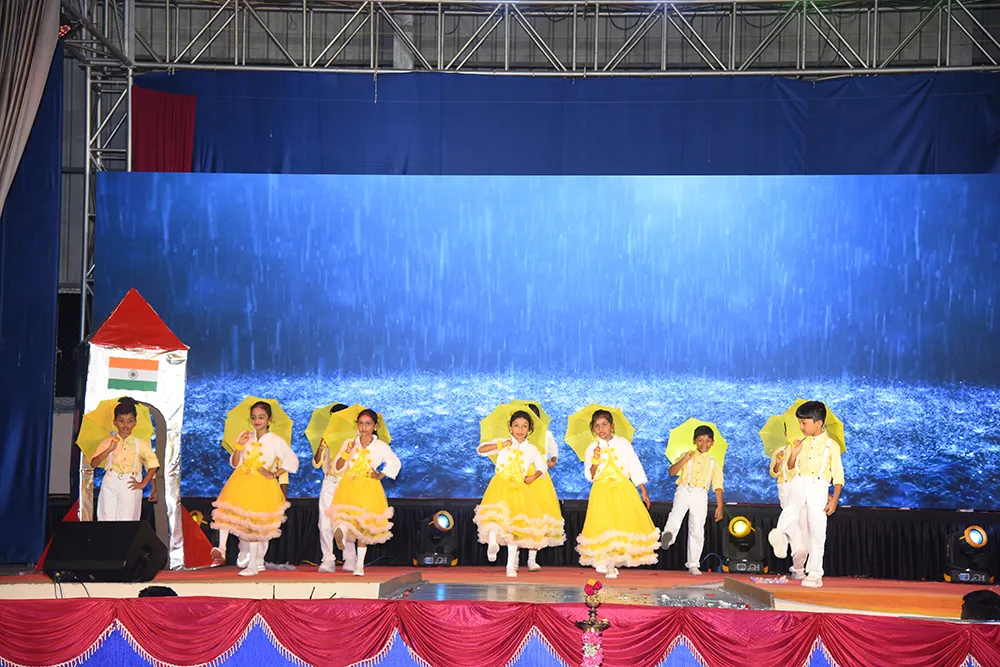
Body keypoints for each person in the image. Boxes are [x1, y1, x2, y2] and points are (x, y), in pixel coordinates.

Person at [210, 401, 299, 576]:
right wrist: (239, 446)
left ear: (269, 419)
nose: (257, 421)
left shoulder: (275, 440)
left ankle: (253, 564)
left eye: (261, 417)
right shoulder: (247, 437)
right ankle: (221, 549)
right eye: (253, 417)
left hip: (261, 484)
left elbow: (292, 461)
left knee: (254, 523)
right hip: (241, 481)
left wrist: (273, 474)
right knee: (226, 512)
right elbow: (235, 463)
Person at [474, 410, 562, 578]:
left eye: (524, 426)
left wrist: (533, 477)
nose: (520, 430)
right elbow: (481, 450)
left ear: (529, 429)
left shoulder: (531, 449)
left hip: (519, 487)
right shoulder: (503, 442)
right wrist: (499, 445)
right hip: (500, 484)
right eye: (516, 425)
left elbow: (541, 466)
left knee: (515, 527)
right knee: (494, 516)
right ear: (510, 427)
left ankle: (510, 566)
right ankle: (492, 542)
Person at [768, 401, 844, 588]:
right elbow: (791, 468)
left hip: (818, 486)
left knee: (817, 530)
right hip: (798, 481)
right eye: (799, 423)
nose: (801, 427)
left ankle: (815, 573)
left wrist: (834, 499)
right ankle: (781, 534)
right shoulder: (801, 442)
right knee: (791, 506)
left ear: (818, 423)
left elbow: (838, 475)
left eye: (804, 423)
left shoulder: (831, 445)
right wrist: (793, 454)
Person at [576, 409, 659, 578]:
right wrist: (595, 461)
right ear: (593, 429)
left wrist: (643, 490)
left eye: (604, 424)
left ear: (612, 426)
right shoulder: (592, 448)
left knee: (619, 525)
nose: (601, 429)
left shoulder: (623, 443)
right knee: (603, 525)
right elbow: (590, 476)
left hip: (622, 489)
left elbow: (634, 465)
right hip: (601, 490)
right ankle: (606, 562)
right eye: (597, 426)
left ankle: (611, 565)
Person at [326, 409, 400, 577]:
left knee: (364, 527)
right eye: (361, 423)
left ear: (375, 426)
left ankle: (359, 565)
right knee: (345, 515)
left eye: (368, 424)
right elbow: (337, 467)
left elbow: (395, 462)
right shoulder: (349, 443)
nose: (364, 427)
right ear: (357, 425)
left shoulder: (380, 446)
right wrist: (346, 453)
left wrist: (380, 474)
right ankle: (341, 533)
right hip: (349, 485)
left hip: (369, 487)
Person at [660, 425, 724, 575]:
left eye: (707, 441)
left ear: (712, 443)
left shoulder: (714, 463)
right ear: (695, 441)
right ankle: (668, 536)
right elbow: (672, 472)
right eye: (700, 440)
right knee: (676, 515)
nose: (704, 444)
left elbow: (718, 485)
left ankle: (693, 564)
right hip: (684, 490)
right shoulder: (686, 455)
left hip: (700, 494)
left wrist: (720, 506)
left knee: (697, 528)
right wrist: (685, 459)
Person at [91, 397, 159, 521]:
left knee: (127, 521)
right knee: (106, 519)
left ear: (135, 422)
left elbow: (153, 464)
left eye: (129, 421)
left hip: (130, 481)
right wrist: (109, 449)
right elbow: (94, 463)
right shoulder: (108, 442)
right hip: (111, 479)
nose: (125, 425)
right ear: (115, 422)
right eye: (121, 421)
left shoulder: (141, 444)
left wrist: (144, 484)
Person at [314, 403, 354, 572]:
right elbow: (316, 463)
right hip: (329, 481)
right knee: (324, 522)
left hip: (347, 482)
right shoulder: (327, 437)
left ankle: (350, 558)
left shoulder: (354, 439)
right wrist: (321, 446)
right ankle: (328, 559)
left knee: (347, 520)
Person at [770, 439, 809, 580]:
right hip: (786, 487)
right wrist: (778, 463)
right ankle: (782, 534)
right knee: (794, 518)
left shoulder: (808, 448)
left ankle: (798, 566)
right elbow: (773, 473)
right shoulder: (780, 450)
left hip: (804, 488)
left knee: (803, 527)